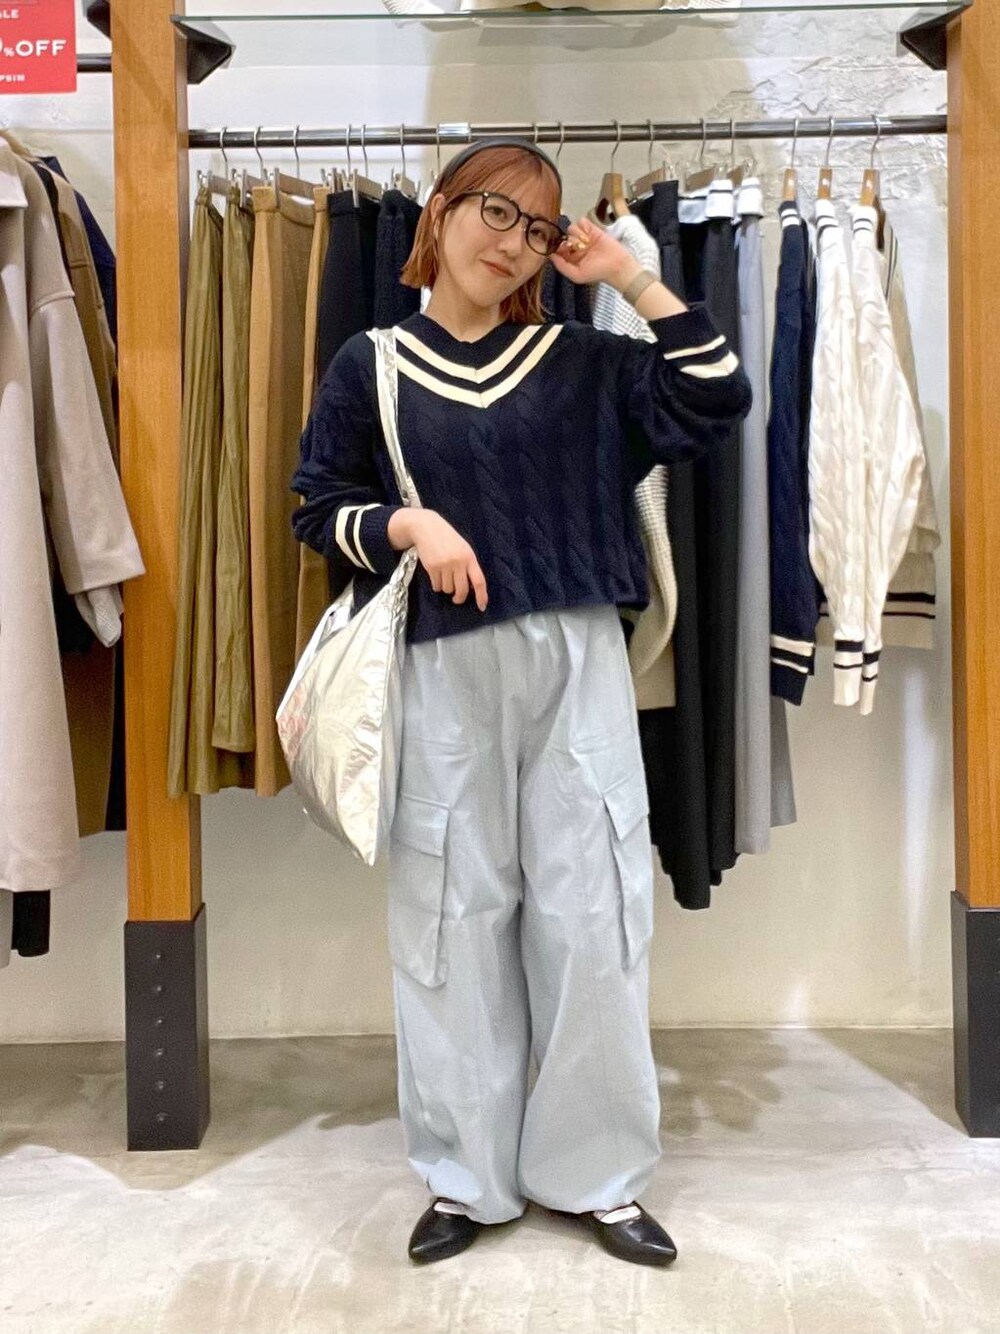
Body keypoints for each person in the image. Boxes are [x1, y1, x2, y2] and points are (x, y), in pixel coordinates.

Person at [292, 139, 751, 1267]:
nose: (513, 241)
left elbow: (716, 396)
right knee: (450, 917)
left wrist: (629, 276)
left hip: (577, 660)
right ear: (440, 212)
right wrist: (407, 524)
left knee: (594, 915)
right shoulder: (371, 363)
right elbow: (318, 505)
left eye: (538, 228)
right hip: (440, 669)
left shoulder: (585, 359)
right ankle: (466, 1177)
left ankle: (600, 1174)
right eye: (495, 211)